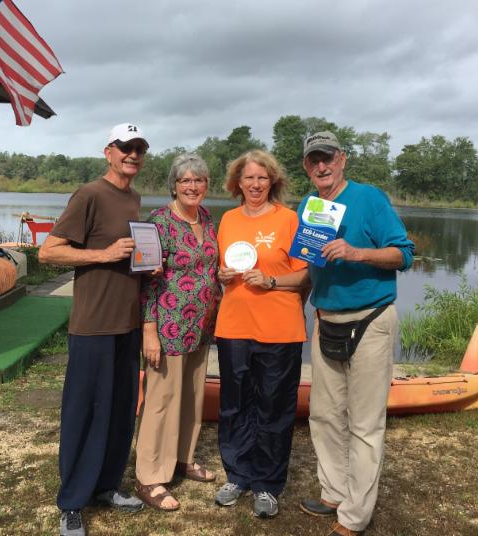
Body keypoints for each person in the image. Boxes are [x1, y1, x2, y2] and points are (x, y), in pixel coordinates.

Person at [289, 131, 414, 536]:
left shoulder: (370, 198)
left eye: (327, 158)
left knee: (364, 422)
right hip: (326, 320)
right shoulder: (309, 206)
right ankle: (334, 491)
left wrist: (357, 251)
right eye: (313, 161)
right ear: (307, 167)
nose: (321, 166)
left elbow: (403, 254)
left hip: (370, 319)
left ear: (342, 159)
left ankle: (356, 516)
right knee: (324, 415)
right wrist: (276, 286)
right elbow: (309, 269)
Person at [39, 123, 150, 536]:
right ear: (109, 152)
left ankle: (106, 486)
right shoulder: (89, 194)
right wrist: (103, 254)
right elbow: (49, 251)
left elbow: (132, 255)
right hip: (93, 325)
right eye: (125, 148)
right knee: (83, 412)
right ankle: (71, 501)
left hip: (127, 322)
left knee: (120, 410)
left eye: (139, 148)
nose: (132, 155)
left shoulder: (134, 198)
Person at [213, 150, 309, 519]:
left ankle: (268, 484)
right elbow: (225, 267)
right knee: (235, 405)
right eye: (248, 178)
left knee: (274, 407)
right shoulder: (228, 220)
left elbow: (305, 275)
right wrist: (223, 275)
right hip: (234, 326)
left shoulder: (289, 219)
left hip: (280, 329)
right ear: (237, 182)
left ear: (274, 182)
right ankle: (237, 475)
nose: (255, 184)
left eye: (262, 178)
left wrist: (271, 281)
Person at [134, 154, 220, 511]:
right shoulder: (159, 222)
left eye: (199, 181)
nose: (192, 186)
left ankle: (182, 458)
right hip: (168, 326)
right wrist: (149, 331)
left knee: (192, 395)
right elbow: (147, 282)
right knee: (161, 400)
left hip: (201, 326)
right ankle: (149, 477)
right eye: (185, 181)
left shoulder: (208, 219)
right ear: (174, 185)